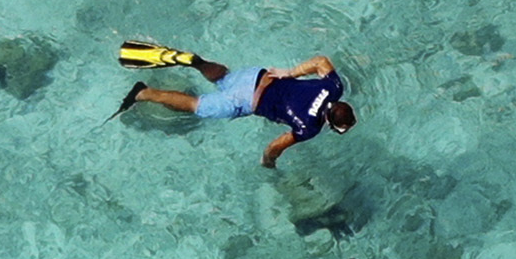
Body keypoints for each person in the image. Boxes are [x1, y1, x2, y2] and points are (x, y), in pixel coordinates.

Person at [119, 47, 355, 167]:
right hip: (245, 101)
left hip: (258, 76)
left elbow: (320, 61)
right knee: (196, 105)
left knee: (224, 78)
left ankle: (197, 63)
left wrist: (289, 72)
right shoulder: (308, 127)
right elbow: (275, 146)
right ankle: (143, 93)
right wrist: (268, 163)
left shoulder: (334, 87)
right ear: (333, 124)